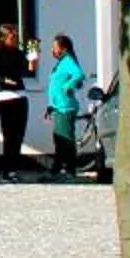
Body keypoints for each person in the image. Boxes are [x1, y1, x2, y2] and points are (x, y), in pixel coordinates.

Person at [0, 21, 33, 179]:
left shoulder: (18, 52)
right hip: (6, 97)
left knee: (19, 135)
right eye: (11, 35)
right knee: (9, 135)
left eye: (15, 35)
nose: (15, 38)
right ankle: (7, 171)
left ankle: (14, 169)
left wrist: (33, 58)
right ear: (3, 38)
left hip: (21, 95)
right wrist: (6, 81)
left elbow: (29, 70)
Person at [43, 33, 88, 179]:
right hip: (58, 106)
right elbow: (54, 86)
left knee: (66, 139)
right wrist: (50, 106)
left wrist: (67, 86)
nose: (52, 50)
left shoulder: (68, 61)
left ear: (64, 49)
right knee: (59, 139)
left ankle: (69, 171)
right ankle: (57, 170)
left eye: (55, 47)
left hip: (65, 106)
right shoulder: (60, 63)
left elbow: (79, 75)